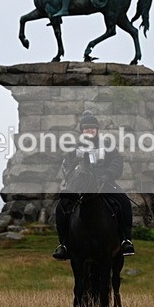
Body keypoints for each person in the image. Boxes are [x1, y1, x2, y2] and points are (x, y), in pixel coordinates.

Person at [53, 111, 135, 260]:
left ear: (97, 130)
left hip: (104, 183)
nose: (89, 131)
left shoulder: (107, 145)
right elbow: (67, 166)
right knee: (61, 207)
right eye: (86, 128)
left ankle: (125, 240)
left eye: (92, 128)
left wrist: (108, 174)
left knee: (124, 202)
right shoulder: (74, 148)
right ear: (82, 131)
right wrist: (74, 177)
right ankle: (64, 245)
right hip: (80, 186)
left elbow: (116, 161)